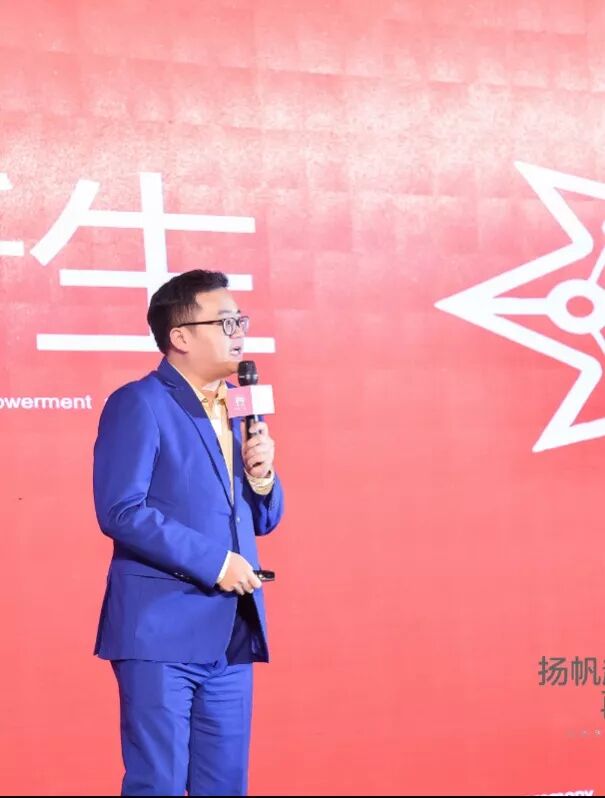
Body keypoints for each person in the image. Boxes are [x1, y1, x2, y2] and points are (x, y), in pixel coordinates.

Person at [92, 269, 285, 796]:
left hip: (231, 632)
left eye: (240, 321)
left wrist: (262, 477)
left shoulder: (240, 407)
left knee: (224, 785)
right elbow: (121, 510)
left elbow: (262, 520)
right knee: (158, 782)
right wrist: (216, 563)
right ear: (180, 336)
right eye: (225, 323)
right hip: (160, 630)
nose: (238, 333)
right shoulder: (140, 402)